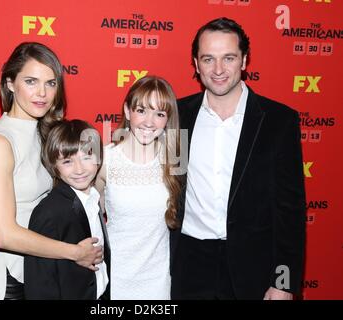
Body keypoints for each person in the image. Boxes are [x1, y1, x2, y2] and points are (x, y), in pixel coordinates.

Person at [170, 17, 306, 300]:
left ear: (244, 61)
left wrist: (284, 282)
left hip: (254, 270)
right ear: (196, 64)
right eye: (208, 59)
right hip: (189, 266)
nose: (218, 70)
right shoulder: (177, 117)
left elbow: (290, 212)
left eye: (228, 58)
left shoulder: (279, 122)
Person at [0, 42, 103, 300]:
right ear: (9, 83)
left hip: (43, 271)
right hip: (8, 278)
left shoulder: (49, 133)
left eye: (50, 83)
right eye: (31, 81)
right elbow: (4, 235)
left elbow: (90, 171)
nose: (42, 93)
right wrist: (74, 252)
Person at [96, 75, 182, 300]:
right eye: (142, 110)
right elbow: (89, 218)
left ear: (167, 120)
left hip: (158, 284)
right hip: (113, 279)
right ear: (127, 111)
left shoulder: (174, 161)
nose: (149, 122)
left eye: (160, 114)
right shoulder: (105, 159)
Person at [24, 120, 110, 300]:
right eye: (68, 161)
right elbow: (40, 287)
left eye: (87, 157)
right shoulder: (50, 212)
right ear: (54, 165)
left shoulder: (95, 199)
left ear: (99, 158)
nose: (79, 169)